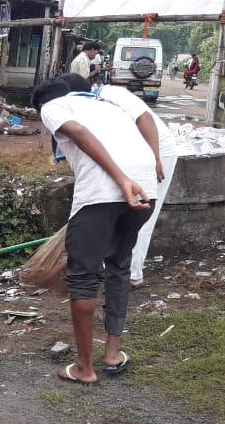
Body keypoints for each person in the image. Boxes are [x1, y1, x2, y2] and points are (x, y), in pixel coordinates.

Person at [31, 78, 157, 386]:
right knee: (119, 264)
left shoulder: (53, 106)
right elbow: (146, 120)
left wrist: (121, 179)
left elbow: (77, 132)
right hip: (146, 189)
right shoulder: (107, 104)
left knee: (83, 277)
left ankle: (84, 368)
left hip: (110, 189)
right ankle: (112, 354)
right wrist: (154, 163)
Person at [58, 74, 180, 290]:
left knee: (142, 211)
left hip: (157, 151)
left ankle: (133, 274)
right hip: (130, 154)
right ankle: (113, 267)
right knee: (120, 208)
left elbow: (145, 118)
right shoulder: (86, 107)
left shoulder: (111, 93)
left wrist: (155, 158)